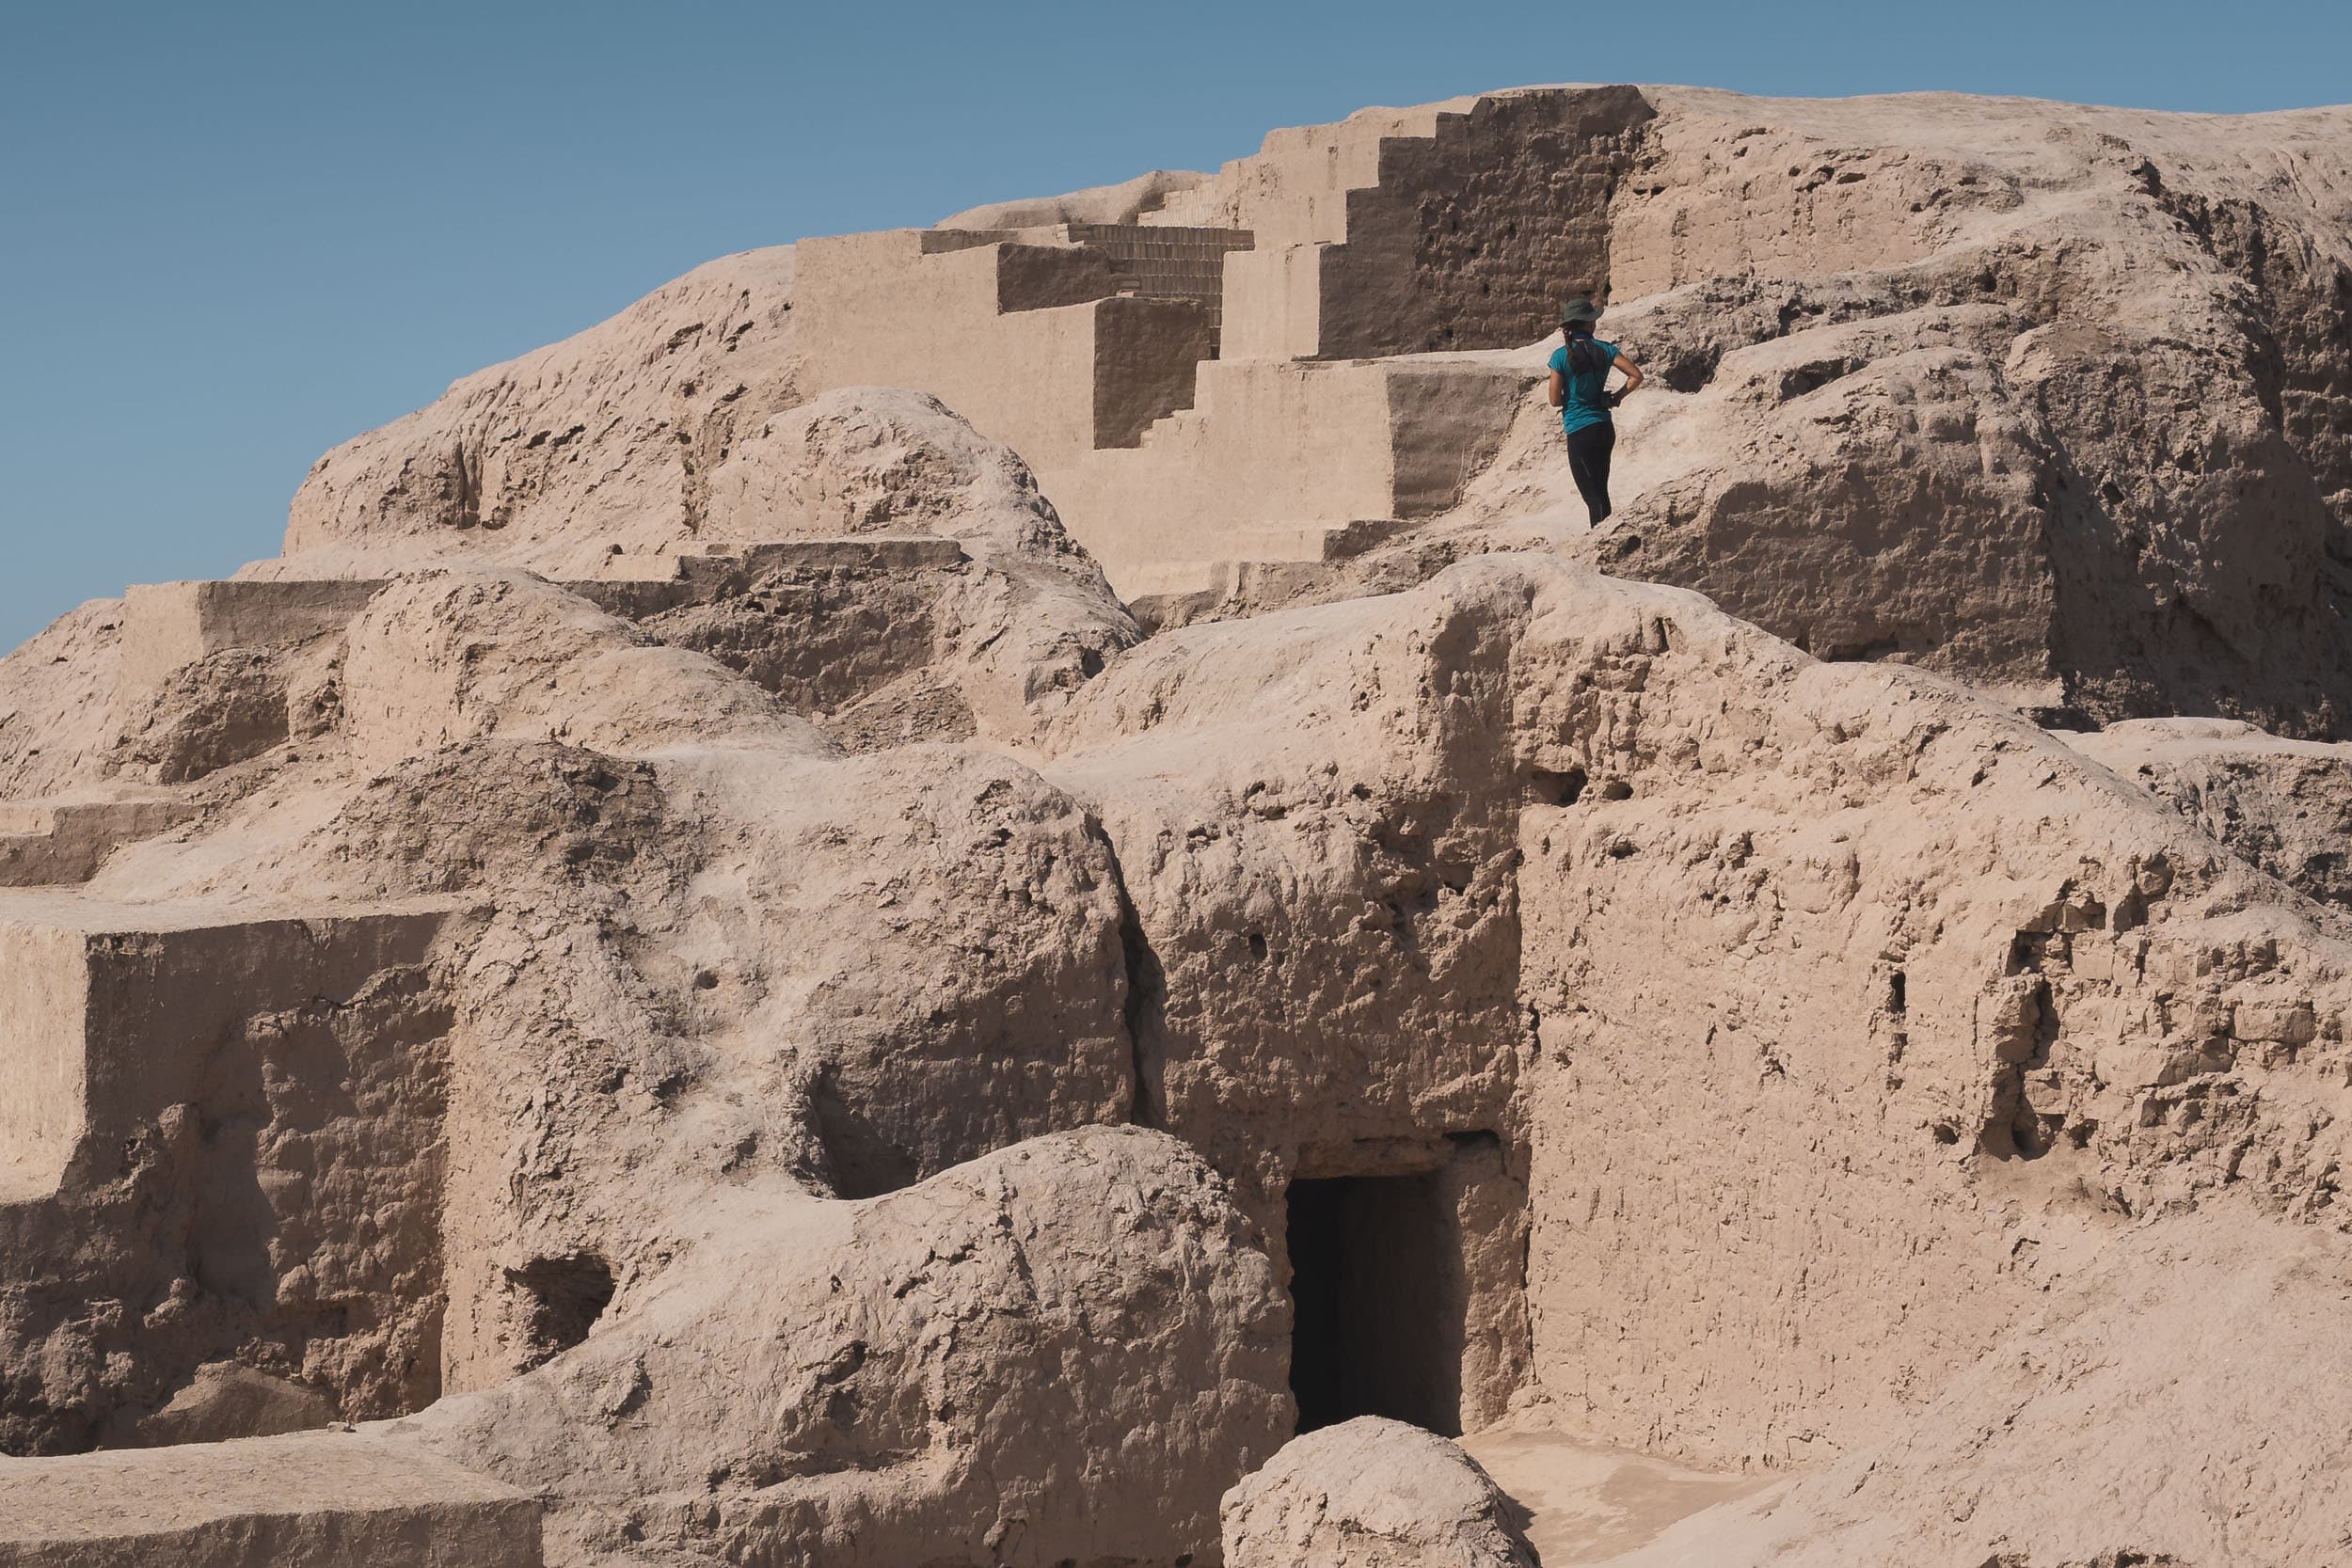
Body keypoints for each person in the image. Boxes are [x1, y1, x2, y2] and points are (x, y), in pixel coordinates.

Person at [1547, 297, 1643, 528]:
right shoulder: (1606, 350)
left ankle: (1600, 542)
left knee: (1592, 498)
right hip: (1604, 426)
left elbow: (1554, 400)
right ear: (1590, 324)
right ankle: (1607, 538)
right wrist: (1616, 397)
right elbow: (1636, 376)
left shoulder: (1560, 356)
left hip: (1580, 430)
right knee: (1601, 491)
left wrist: (1573, 398)